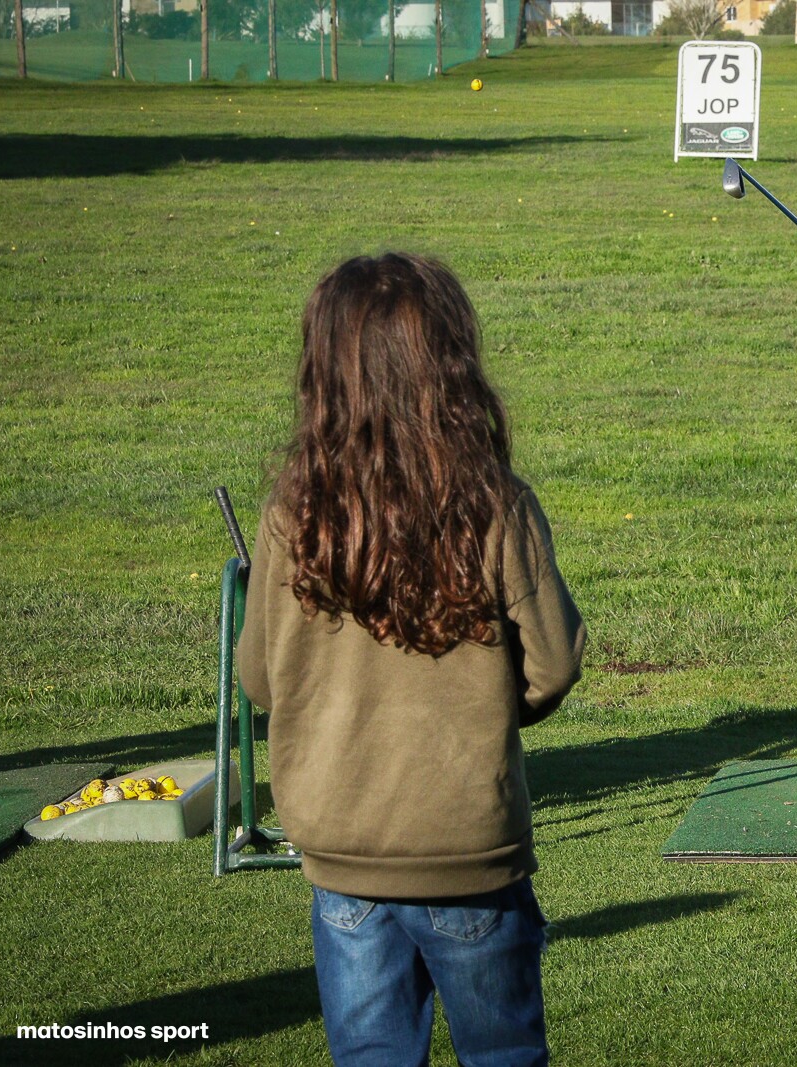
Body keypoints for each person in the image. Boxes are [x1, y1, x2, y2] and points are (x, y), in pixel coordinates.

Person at [237, 252, 585, 1066]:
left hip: (341, 852)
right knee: (502, 1054)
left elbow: (260, 678)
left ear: (326, 370)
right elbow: (555, 662)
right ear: (451, 366)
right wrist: (490, 708)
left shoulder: (295, 510)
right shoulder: (494, 500)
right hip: (467, 845)